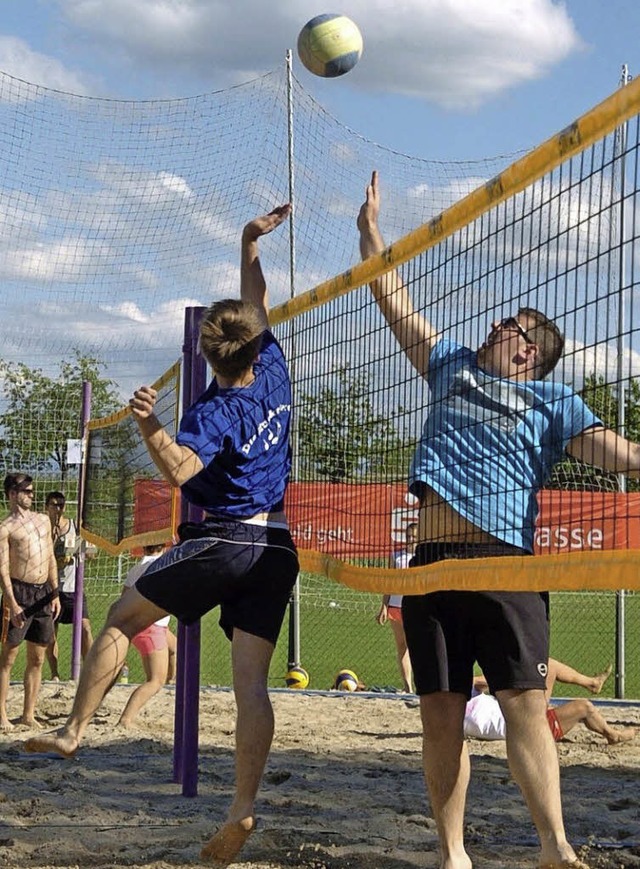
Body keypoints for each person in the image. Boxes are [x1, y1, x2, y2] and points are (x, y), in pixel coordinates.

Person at [357, 170, 640, 869]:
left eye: (507, 325)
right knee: (440, 715)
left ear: (528, 350)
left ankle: (554, 845)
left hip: (506, 563)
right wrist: (371, 238)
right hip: (433, 568)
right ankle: (453, 851)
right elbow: (398, 307)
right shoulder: (451, 367)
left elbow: (616, 453)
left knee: (524, 706)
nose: (492, 325)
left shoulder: (553, 403)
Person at [25, 203, 299, 868]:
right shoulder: (275, 364)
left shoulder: (215, 407)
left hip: (228, 539)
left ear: (206, 354)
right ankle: (241, 806)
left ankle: (71, 730)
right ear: (253, 339)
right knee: (252, 686)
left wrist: (149, 423)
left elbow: (180, 467)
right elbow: (254, 301)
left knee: (121, 614)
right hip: (280, 547)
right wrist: (248, 242)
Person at [0, 473, 61, 729]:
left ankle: (28, 714)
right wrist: (12, 604)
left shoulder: (43, 520)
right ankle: (2, 715)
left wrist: (55, 592)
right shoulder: (6, 528)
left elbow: (50, 557)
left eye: (32, 491)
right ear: (12, 494)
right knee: (8, 658)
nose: (31, 495)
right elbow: (3, 568)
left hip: (43, 593)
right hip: (19, 592)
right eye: (26, 491)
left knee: (37, 658)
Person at [465, 658, 635, 745]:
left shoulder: (459, 696)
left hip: (520, 712)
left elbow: (490, 683)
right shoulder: (459, 698)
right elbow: (496, 680)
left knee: (548, 666)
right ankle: (613, 735)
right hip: (528, 726)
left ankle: (592, 683)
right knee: (584, 707)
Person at [117, 543, 172, 728]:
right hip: (152, 628)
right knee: (155, 680)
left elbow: (123, 598)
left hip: (138, 625)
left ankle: (171, 687)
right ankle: (126, 719)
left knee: (176, 648)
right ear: (164, 546)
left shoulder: (135, 568)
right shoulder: (164, 563)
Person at [44, 491, 94, 680]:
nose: (58, 509)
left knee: (85, 628)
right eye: (54, 505)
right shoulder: (43, 529)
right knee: (50, 633)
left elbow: (91, 553)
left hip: (74, 589)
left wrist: (76, 551)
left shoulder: (74, 527)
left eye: (61, 505)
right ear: (46, 507)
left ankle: (88, 671)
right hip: (50, 589)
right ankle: (54, 673)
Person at [376, 521, 418, 693]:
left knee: (415, 646)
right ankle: (407, 686)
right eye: (408, 536)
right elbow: (389, 583)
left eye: (414, 537)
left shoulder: (421, 558)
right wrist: (384, 606)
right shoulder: (396, 556)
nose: (410, 540)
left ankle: (421, 685)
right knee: (402, 647)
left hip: (414, 607)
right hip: (395, 606)